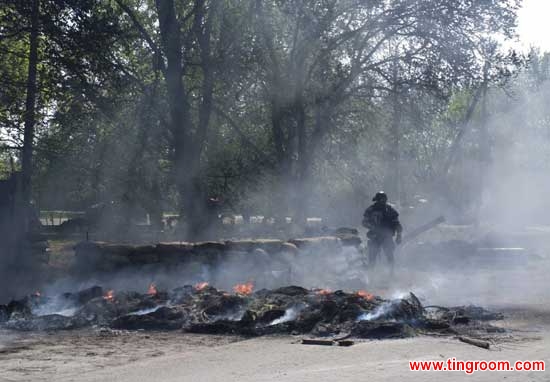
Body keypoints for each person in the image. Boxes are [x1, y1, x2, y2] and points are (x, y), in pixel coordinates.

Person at [362, 191, 403, 269]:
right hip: (375, 236)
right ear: (377, 200)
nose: (382, 201)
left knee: (389, 255)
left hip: (387, 236)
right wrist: (373, 227)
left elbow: (397, 224)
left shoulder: (390, 210)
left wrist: (399, 235)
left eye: (384, 199)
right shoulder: (371, 209)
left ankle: (391, 274)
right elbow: (364, 222)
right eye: (381, 199)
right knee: (372, 256)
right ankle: (372, 274)